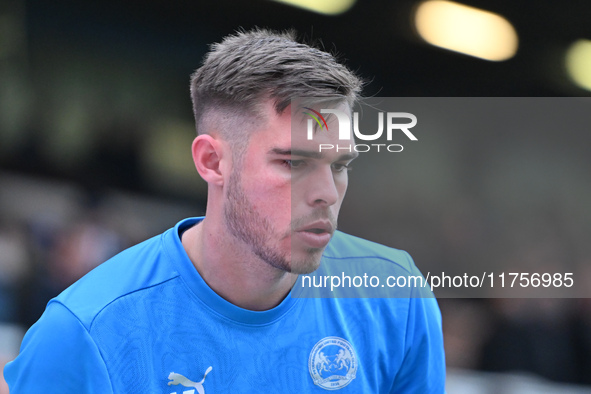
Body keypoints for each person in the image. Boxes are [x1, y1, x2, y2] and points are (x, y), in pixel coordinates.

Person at [4, 29, 445, 392]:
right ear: (212, 162)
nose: (327, 193)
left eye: (341, 165)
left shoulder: (394, 297)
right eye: (293, 163)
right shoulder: (87, 331)